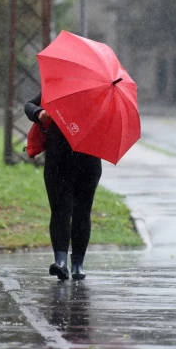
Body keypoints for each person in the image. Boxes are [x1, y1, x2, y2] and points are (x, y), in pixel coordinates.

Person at [25, 92, 103, 281]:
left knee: (82, 212)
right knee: (60, 210)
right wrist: (40, 113)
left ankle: (78, 264)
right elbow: (29, 105)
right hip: (57, 160)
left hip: (88, 161)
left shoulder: (101, 95)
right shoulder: (60, 88)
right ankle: (60, 263)